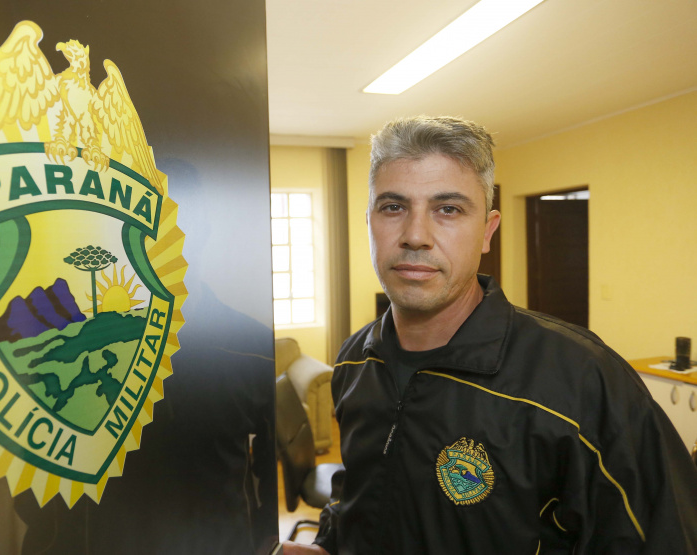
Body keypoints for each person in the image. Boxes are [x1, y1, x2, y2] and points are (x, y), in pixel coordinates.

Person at [283, 116, 697, 554]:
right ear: (370, 222)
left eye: (448, 209)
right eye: (393, 207)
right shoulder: (354, 360)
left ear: (487, 231)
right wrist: (328, 544)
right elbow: (359, 494)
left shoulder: (585, 382)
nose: (415, 235)